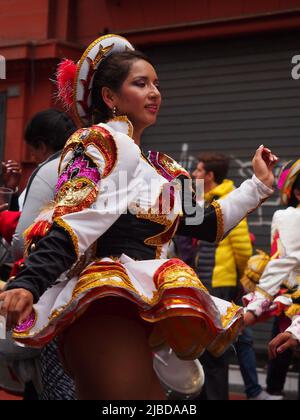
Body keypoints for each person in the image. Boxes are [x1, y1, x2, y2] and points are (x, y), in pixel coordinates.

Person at [0, 34, 277, 400]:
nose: (155, 93)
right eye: (140, 83)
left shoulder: (161, 169)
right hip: (102, 308)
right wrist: (29, 282)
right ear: (110, 97)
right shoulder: (100, 142)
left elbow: (206, 223)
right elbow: (77, 218)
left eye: (157, 84)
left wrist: (257, 185)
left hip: (137, 313)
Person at [2, 109, 77, 400]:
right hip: (95, 293)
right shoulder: (103, 165)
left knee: (49, 383)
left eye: (33, 149)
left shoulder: (50, 169)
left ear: (42, 145)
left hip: (48, 293)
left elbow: (23, 241)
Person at [191, 152, 268, 400]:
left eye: (199, 171)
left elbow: (243, 246)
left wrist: (241, 280)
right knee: (207, 347)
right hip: (204, 282)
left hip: (220, 284)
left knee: (215, 349)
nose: (194, 174)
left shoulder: (226, 199)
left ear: (210, 176)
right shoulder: (202, 199)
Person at [244, 158, 300, 398]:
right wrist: (256, 306)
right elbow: (280, 263)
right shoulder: (290, 218)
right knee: (280, 351)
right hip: (292, 301)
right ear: (297, 192)